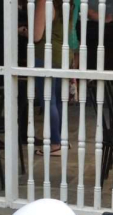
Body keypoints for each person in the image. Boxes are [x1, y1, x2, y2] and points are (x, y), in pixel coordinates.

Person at [33, 0, 70, 157]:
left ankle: (55, 143)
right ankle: (61, 140)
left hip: (46, 55)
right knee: (59, 100)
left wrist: (21, 30)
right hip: (63, 54)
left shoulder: (44, 2)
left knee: (48, 100)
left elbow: (36, 35)